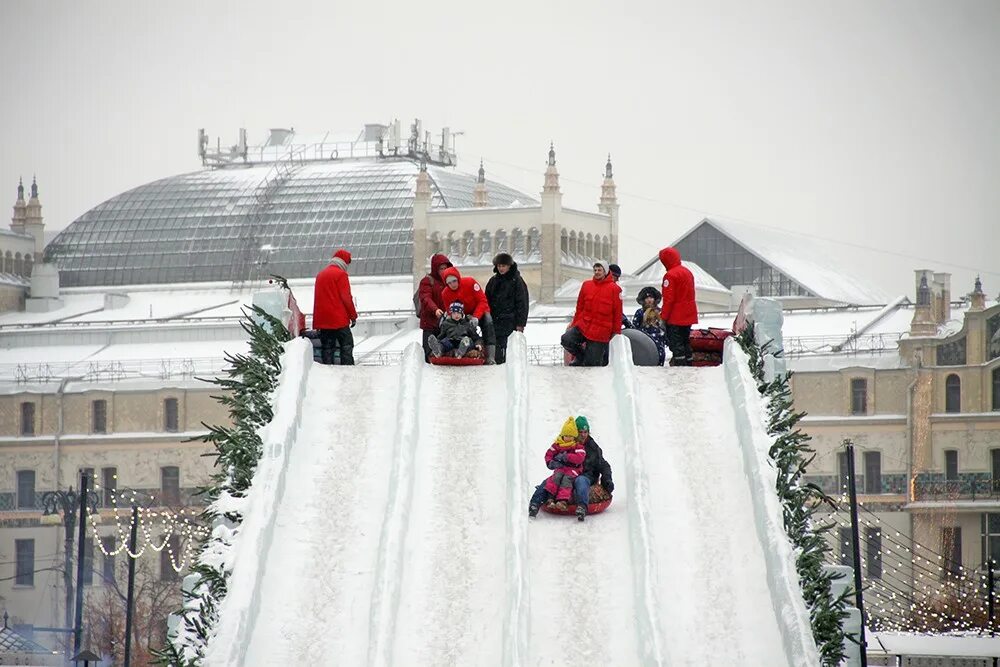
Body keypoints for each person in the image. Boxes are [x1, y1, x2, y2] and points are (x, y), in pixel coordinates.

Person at [561, 261, 623, 366]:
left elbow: (618, 312)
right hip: (584, 326)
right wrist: (575, 323)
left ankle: (587, 365)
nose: (597, 272)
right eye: (595, 270)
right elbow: (580, 307)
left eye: (600, 270)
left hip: (601, 332)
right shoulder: (586, 285)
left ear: (606, 272)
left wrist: (616, 332)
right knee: (566, 339)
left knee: (592, 364)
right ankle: (580, 357)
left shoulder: (615, 289)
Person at [439, 266, 497, 364]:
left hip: (478, 312)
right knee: (449, 325)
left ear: (458, 278)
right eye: (449, 283)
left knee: (488, 321)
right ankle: (449, 349)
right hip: (461, 315)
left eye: (454, 281)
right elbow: (449, 311)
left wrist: (476, 316)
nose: (452, 284)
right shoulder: (445, 293)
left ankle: (490, 356)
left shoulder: (470, 283)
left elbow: (482, 301)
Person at [313, 248, 357, 365]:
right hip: (338, 319)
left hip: (323, 319)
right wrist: (353, 316)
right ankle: (347, 369)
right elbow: (346, 298)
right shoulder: (341, 275)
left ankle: (328, 370)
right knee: (347, 344)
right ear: (343, 262)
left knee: (327, 347)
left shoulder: (320, 275)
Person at [484, 252, 529, 365]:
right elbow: (486, 300)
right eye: (499, 266)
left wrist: (520, 324)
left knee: (511, 349)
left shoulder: (517, 281)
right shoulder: (493, 281)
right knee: (497, 349)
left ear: (509, 266)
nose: (501, 268)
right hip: (496, 321)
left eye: (503, 266)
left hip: (511, 321)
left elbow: (522, 303)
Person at [658, 246, 699, 366]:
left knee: (676, 344)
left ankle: (680, 368)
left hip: (675, 316)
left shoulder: (670, 276)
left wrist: (663, 317)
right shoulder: (687, 272)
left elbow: (669, 300)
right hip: (689, 313)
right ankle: (689, 364)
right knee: (686, 341)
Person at [540, 417, 587, 511]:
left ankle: (562, 501)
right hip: (561, 468)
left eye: (570, 436)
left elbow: (579, 458)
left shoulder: (577, 446)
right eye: (566, 435)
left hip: (573, 469)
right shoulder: (558, 444)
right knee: (555, 477)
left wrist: (567, 457)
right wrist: (551, 462)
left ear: (574, 437)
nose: (568, 438)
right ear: (562, 435)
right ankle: (550, 499)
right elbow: (549, 454)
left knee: (566, 480)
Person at [417, 253, 453, 362]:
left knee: (445, 349)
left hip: (445, 323)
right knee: (430, 354)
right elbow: (425, 298)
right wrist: (435, 309)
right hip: (430, 324)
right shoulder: (427, 281)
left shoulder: (450, 281)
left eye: (445, 268)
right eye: (440, 268)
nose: (443, 271)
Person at [632, 286, 667, 366]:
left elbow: (664, 327)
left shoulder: (660, 312)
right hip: (644, 344)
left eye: (651, 297)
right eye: (647, 298)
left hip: (659, 344)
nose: (649, 300)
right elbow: (635, 329)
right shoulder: (640, 313)